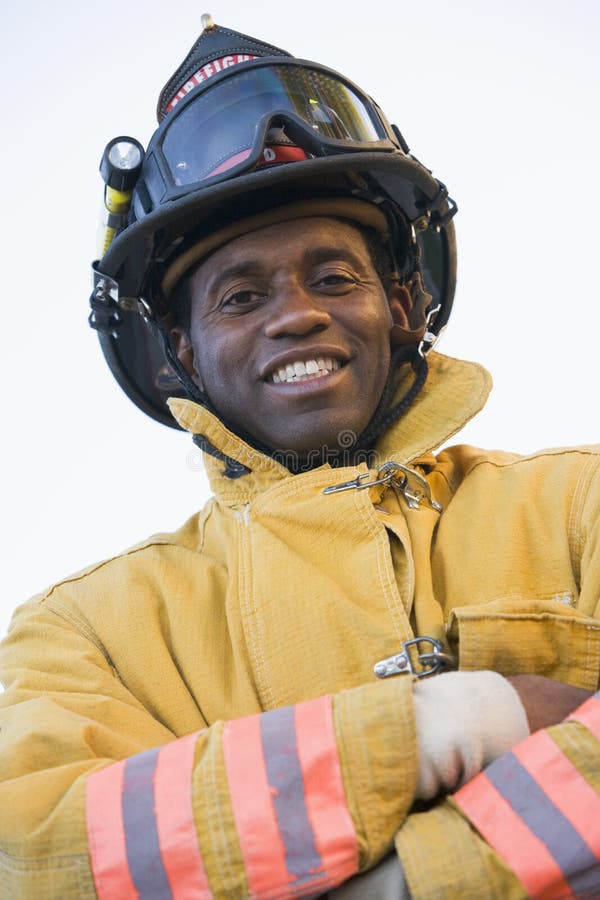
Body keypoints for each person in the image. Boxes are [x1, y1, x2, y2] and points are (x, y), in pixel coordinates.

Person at [1, 15, 599, 900]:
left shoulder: (576, 501)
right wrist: (462, 721)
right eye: (241, 296)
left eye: (334, 278)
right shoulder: (88, 633)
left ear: (401, 304)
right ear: (185, 352)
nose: (296, 315)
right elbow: (38, 855)